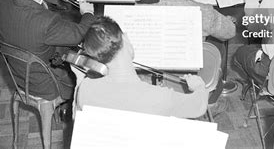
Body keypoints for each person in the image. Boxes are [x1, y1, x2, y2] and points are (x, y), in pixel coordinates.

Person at [0, 0, 95, 101]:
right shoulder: (47, 21)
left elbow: (29, 22)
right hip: (45, 85)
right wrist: (88, 13)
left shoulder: (3, 5)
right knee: (90, 75)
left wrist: (40, 4)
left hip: (18, 76)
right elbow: (80, 34)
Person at [76, 16, 209, 118]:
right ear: (125, 38)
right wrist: (199, 86)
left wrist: (79, 79)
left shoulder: (85, 89)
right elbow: (199, 106)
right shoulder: (159, 97)